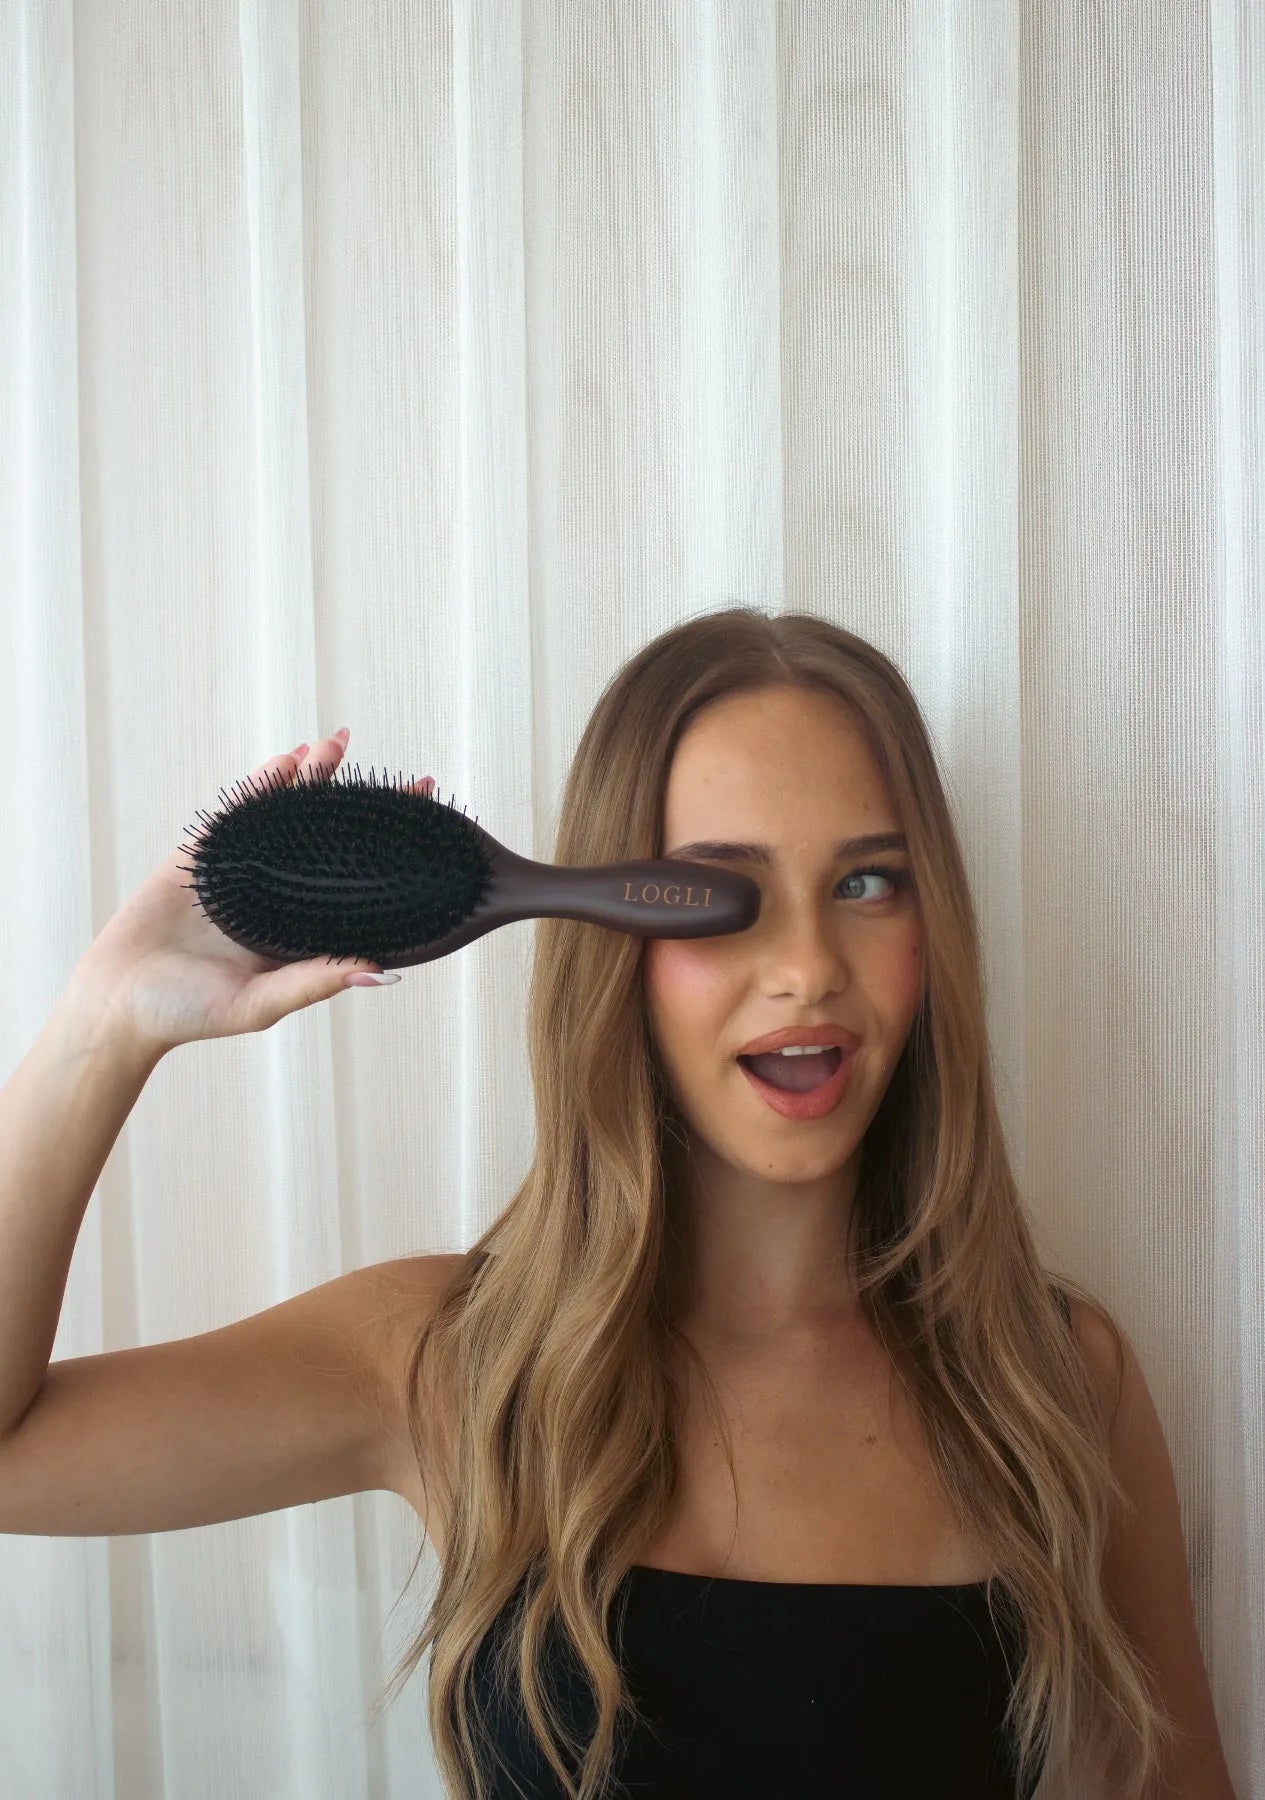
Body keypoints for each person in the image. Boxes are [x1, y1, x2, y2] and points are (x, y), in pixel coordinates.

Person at [0, 609, 1235, 1800]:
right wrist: (104, 1027)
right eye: (718, 892)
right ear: (611, 938)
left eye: (866, 884)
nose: (806, 969)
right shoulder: (451, 1364)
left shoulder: (1048, 1382)